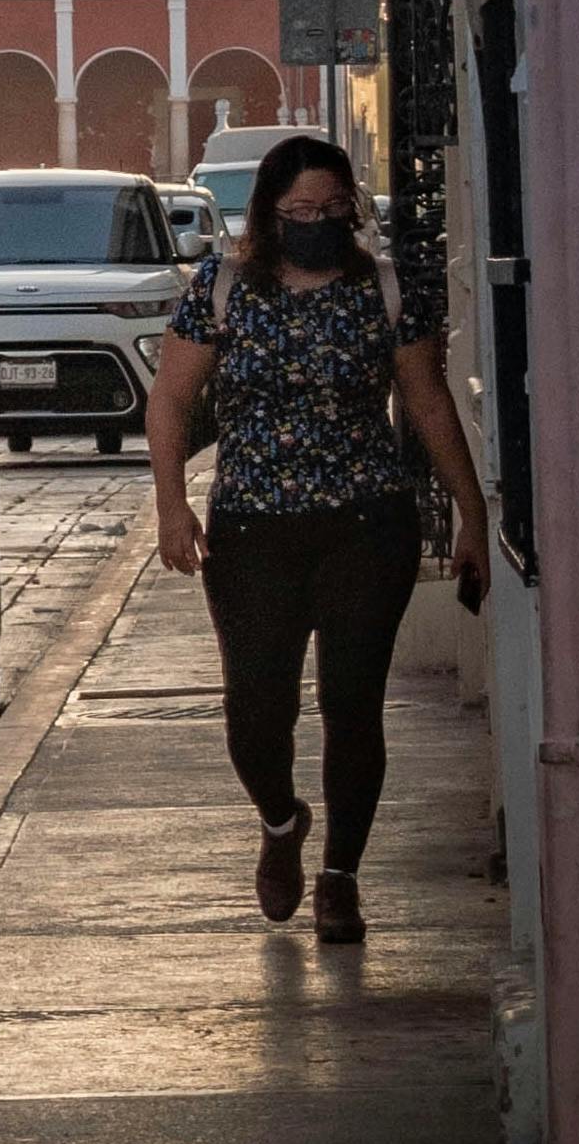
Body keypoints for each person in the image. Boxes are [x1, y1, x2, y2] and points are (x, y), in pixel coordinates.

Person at [148, 132, 491, 942]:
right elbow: (169, 398)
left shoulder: (387, 290)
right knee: (255, 713)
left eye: (333, 207)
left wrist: (472, 512)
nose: (317, 221)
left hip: (366, 524)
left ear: (354, 208)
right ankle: (279, 820)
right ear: (269, 212)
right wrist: (172, 504)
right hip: (252, 530)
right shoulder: (224, 288)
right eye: (299, 209)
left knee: (352, 702)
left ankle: (341, 876)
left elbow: (429, 403)